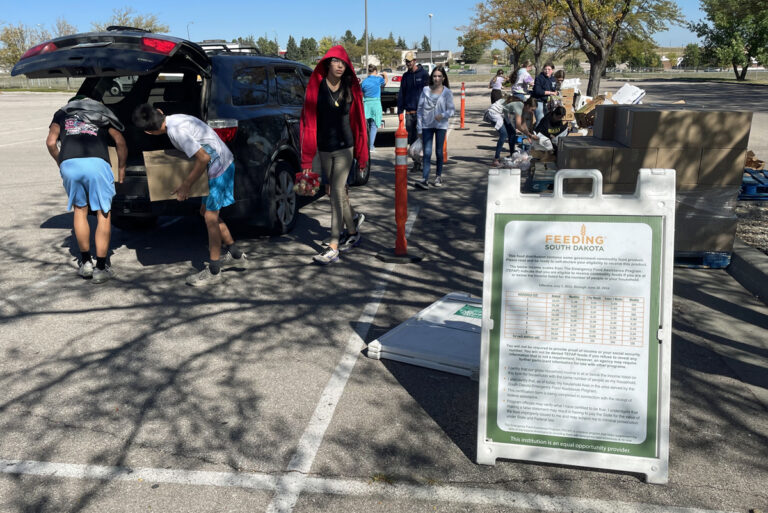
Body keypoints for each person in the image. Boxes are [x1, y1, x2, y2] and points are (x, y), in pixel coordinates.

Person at [132, 105, 246, 286]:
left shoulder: (176, 132)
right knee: (206, 213)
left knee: (210, 217)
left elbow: (203, 158)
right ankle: (235, 253)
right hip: (219, 165)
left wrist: (186, 185)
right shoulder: (176, 117)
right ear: (160, 111)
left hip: (218, 170)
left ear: (149, 133)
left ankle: (214, 271)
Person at [46, 95, 127, 284]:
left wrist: (61, 162)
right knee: (103, 213)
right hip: (97, 164)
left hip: (70, 164)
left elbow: (51, 142)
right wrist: (121, 168)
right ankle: (101, 268)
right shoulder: (102, 113)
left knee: (80, 211)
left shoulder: (61, 114)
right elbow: (121, 142)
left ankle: (85, 263)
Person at [300, 45, 369, 265]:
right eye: (336, 62)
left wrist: (362, 153)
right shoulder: (316, 87)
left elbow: (358, 121)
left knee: (338, 190)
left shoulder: (351, 87)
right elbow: (307, 121)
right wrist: (307, 157)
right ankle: (353, 230)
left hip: (344, 148)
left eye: (343, 63)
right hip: (323, 148)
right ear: (327, 64)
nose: (340, 66)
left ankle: (333, 245)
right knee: (333, 193)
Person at [415, 66, 455, 189]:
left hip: (440, 126)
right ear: (431, 77)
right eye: (434, 76)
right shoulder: (425, 90)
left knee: (439, 152)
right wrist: (419, 128)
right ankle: (425, 179)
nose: (436, 78)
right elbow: (420, 110)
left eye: (439, 76)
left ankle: (438, 176)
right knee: (427, 153)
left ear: (443, 78)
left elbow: (452, 110)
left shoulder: (447, 92)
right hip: (427, 125)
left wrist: (442, 115)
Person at [397, 51, 429, 173]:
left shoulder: (424, 74)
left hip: (422, 113)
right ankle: (416, 163)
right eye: (406, 61)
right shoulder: (405, 77)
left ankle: (423, 161)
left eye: (410, 61)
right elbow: (401, 93)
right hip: (409, 112)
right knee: (412, 138)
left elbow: (429, 93)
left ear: (415, 61)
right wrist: (400, 109)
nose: (408, 63)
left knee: (422, 137)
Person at [485, 96, 538, 168]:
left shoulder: (523, 107)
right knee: (504, 134)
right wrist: (530, 135)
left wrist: (528, 135)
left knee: (512, 132)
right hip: (494, 112)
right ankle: (496, 159)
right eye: (532, 110)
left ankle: (512, 155)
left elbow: (523, 124)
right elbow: (519, 126)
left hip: (502, 113)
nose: (532, 112)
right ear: (528, 106)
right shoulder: (519, 106)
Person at [361, 64, 388, 154]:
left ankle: (365, 146)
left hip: (366, 105)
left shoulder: (364, 82)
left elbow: (361, 93)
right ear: (375, 71)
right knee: (374, 126)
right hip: (376, 104)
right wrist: (384, 74)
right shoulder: (378, 79)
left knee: (365, 127)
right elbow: (385, 82)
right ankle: (371, 146)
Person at [532, 62, 557, 127]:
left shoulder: (553, 79)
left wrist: (556, 92)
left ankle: (545, 135)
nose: (547, 71)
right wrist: (551, 93)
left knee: (548, 119)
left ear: (552, 70)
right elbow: (538, 91)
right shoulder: (539, 78)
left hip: (548, 102)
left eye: (549, 69)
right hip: (538, 101)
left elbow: (554, 89)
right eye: (545, 69)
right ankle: (536, 135)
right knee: (540, 119)